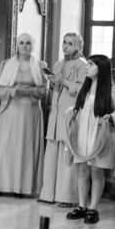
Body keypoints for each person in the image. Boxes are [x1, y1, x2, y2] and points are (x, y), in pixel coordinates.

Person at [0, 33, 48, 196]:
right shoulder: (6, 64)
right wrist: (13, 90)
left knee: (25, 149)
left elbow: (44, 90)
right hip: (10, 110)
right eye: (22, 42)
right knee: (6, 147)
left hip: (30, 112)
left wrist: (28, 91)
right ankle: (1, 185)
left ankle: (22, 187)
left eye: (28, 43)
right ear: (17, 45)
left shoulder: (40, 65)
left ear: (33, 46)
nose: (25, 46)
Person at [65, 54, 115, 224]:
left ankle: (93, 208)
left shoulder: (112, 90)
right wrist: (73, 112)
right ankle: (82, 206)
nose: (87, 67)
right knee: (82, 169)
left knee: (96, 171)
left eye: (90, 64)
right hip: (83, 132)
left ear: (101, 68)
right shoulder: (85, 88)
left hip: (99, 134)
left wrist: (110, 117)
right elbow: (79, 107)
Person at [38, 33, 87, 207]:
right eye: (64, 42)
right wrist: (52, 81)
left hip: (70, 114)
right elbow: (56, 90)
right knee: (52, 154)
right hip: (55, 114)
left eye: (70, 43)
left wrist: (63, 81)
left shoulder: (83, 65)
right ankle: (48, 194)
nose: (65, 46)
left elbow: (82, 90)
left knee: (67, 156)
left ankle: (67, 197)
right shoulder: (58, 64)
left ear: (78, 46)